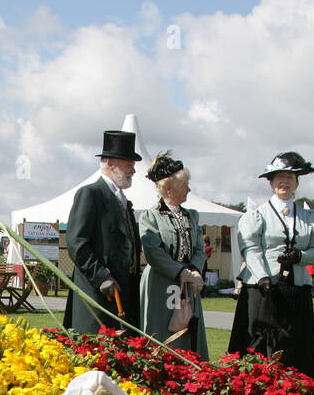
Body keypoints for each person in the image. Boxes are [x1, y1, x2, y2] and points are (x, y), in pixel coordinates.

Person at [227, 152, 314, 382]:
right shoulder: (256, 215)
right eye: (279, 177)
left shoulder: (310, 217)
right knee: (257, 344)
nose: (284, 182)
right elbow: (250, 247)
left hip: (295, 290)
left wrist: (300, 256)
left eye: (290, 177)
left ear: (297, 182)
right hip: (262, 291)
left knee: (294, 344)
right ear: (270, 182)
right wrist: (262, 276)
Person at [64, 130, 142, 334]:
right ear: (110, 163)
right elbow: (76, 243)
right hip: (97, 294)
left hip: (123, 294)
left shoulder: (123, 200)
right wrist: (101, 276)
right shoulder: (90, 194)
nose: (133, 171)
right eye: (129, 165)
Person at [137, 151, 209, 358]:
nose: (189, 188)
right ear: (169, 187)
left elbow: (198, 249)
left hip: (189, 284)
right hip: (161, 282)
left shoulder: (191, 216)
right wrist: (181, 273)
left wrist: (194, 272)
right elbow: (154, 253)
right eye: (184, 184)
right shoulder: (151, 216)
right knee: (162, 327)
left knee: (187, 325)